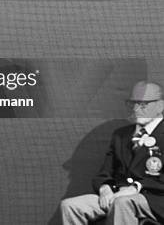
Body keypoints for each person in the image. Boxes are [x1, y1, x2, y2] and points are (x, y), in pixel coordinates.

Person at [60, 81, 164, 225]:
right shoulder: (120, 136)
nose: (136, 109)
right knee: (70, 206)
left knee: (122, 202)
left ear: (160, 106)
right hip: (118, 196)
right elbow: (104, 173)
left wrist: (135, 188)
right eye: (132, 103)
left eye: (143, 104)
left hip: (155, 201)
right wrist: (105, 189)